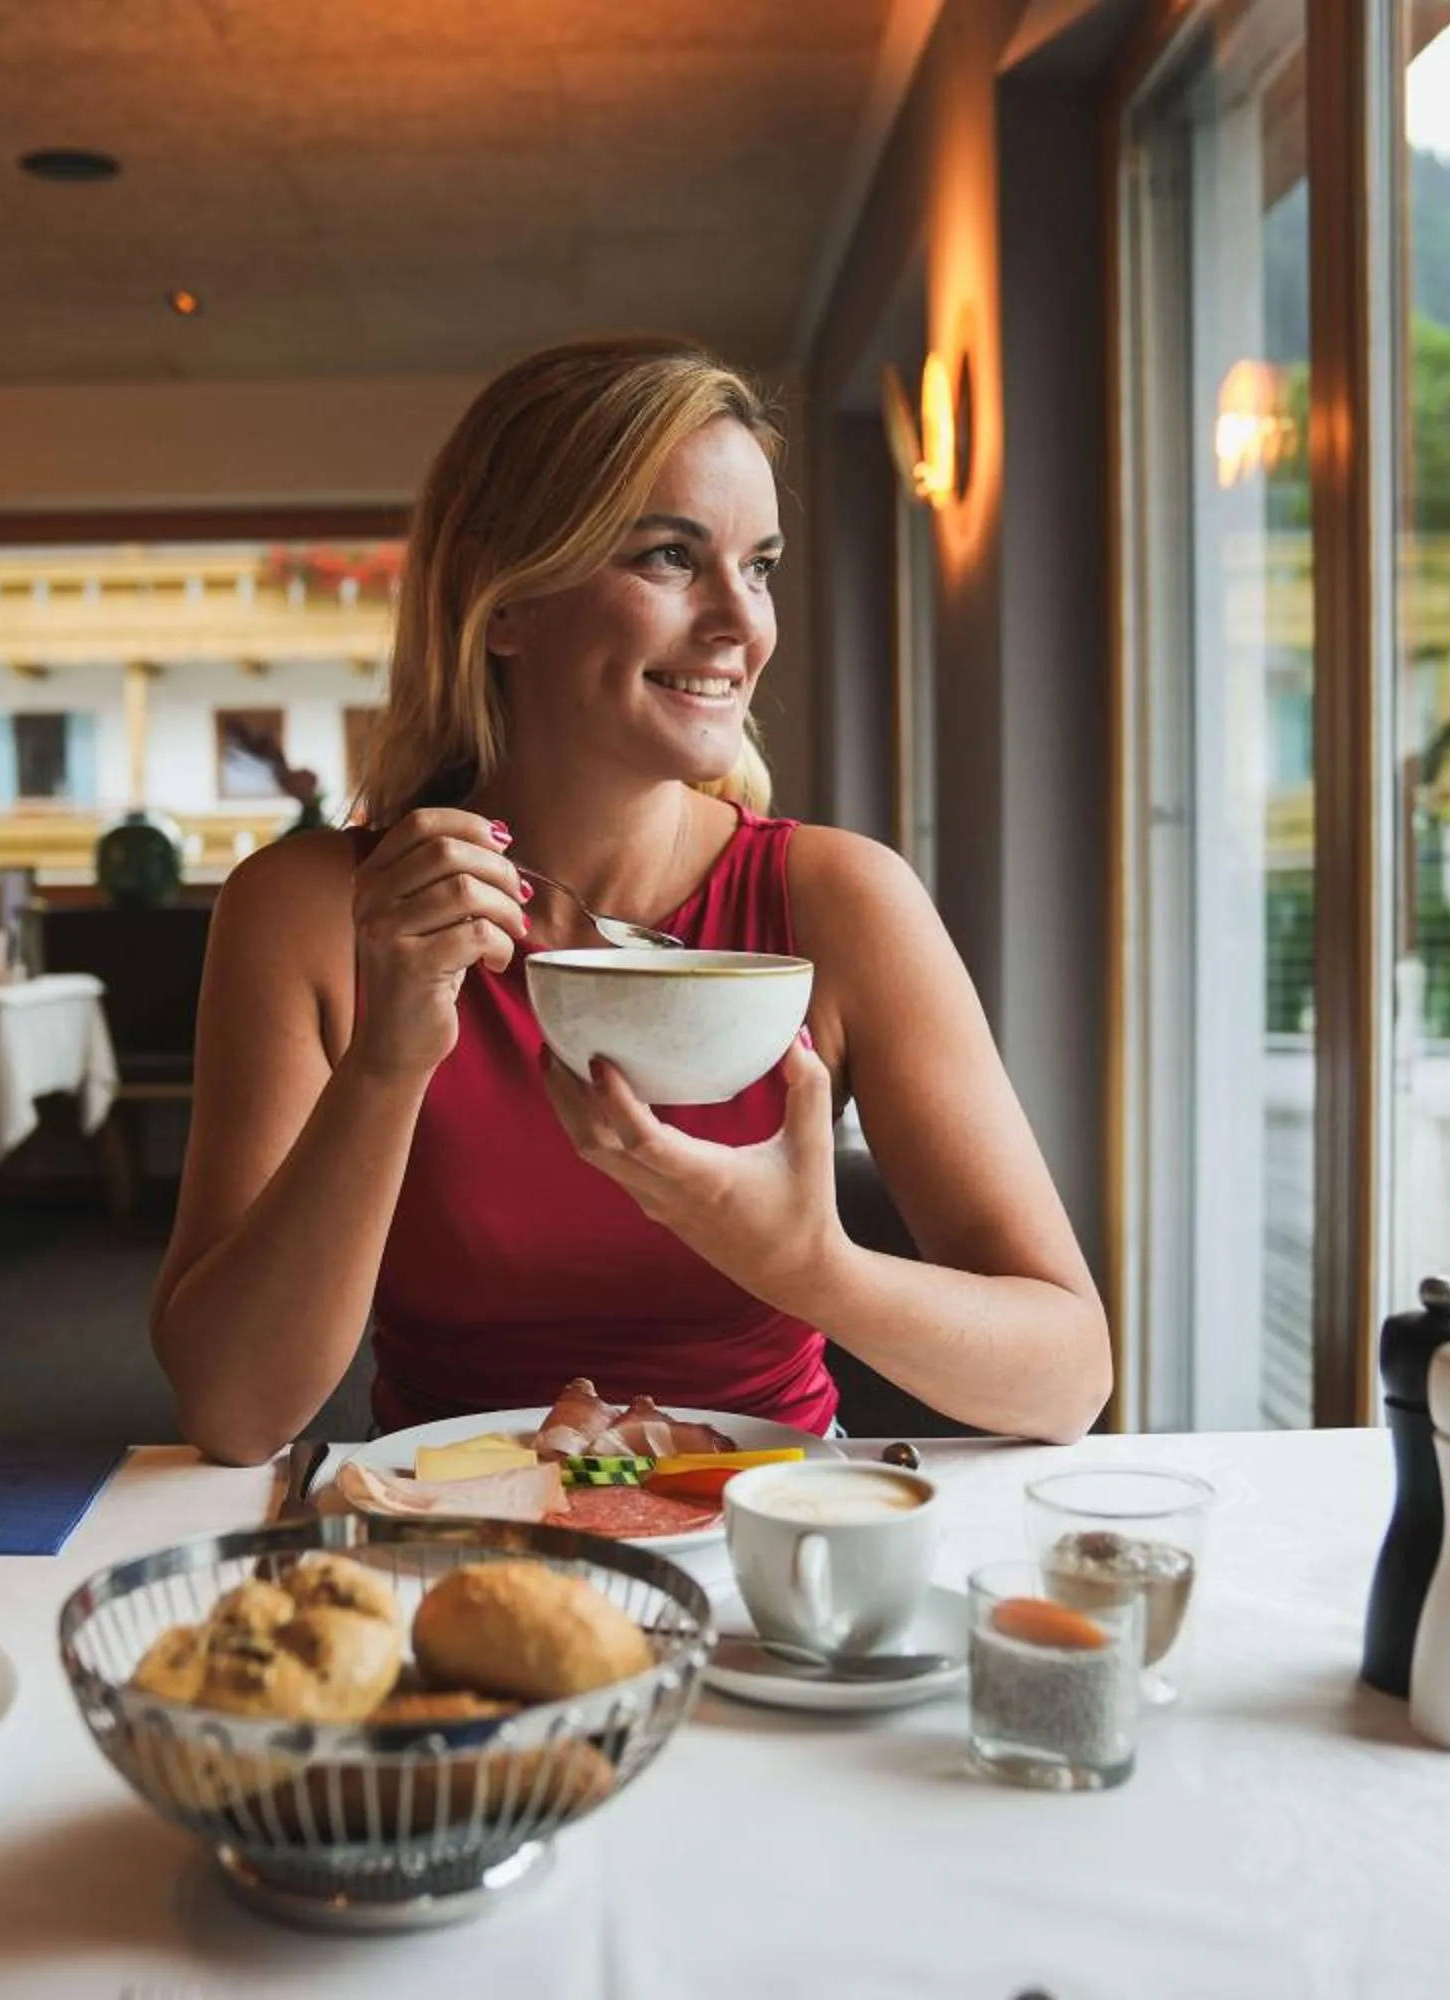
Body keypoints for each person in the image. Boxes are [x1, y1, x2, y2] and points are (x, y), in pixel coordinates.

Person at [149, 336, 1109, 1465]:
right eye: (669, 557)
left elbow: (1068, 1375)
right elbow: (234, 1413)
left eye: (760, 566)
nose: (744, 623)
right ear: (506, 603)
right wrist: (387, 1064)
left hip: (767, 1526)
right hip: (457, 1526)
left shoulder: (843, 900)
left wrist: (812, 1267)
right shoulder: (310, 911)